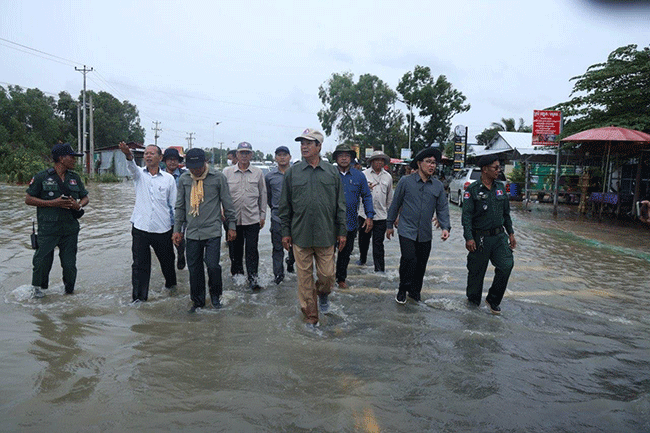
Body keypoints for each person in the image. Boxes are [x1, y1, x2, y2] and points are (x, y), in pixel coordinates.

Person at [278, 128, 346, 325]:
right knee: (304, 279)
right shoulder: (293, 173)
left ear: (319, 146)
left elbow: (340, 205)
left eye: (309, 143)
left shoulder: (332, 172)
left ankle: (323, 293)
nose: (304, 146)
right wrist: (285, 232)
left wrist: (342, 232)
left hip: (326, 234)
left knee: (327, 276)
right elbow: (285, 206)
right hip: (300, 234)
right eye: (302, 143)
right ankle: (311, 315)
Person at [173, 148, 237, 312]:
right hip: (192, 231)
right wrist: (177, 230)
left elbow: (227, 204)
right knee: (194, 268)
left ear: (205, 163)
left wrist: (231, 226)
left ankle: (216, 298)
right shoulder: (185, 179)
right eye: (191, 167)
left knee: (213, 265)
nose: (195, 170)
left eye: (198, 166)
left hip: (213, 231)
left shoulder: (218, 178)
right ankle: (198, 302)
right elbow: (180, 206)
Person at [386, 147, 450, 304]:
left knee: (421, 264)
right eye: (428, 162)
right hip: (406, 229)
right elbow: (396, 203)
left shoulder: (438, 186)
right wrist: (389, 224)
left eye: (434, 163)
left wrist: (445, 227)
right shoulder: (405, 182)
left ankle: (415, 293)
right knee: (409, 259)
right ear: (419, 163)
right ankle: (403, 288)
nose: (432, 166)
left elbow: (442, 208)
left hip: (425, 233)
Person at [25, 143, 89, 298]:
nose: (74, 160)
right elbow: (28, 199)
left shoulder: (74, 178)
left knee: (69, 265)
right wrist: (52, 203)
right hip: (48, 229)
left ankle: (69, 294)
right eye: (71, 157)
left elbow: (85, 197)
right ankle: (38, 293)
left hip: (70, 229)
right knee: (41, 262)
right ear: (61, 158)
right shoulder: (41, 177)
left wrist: (78, 204)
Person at [119, 141, 177, 302]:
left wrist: (178, 230)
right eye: (146, 153)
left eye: (152, 153)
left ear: (160, 157)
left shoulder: (168, 179)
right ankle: (138, 299)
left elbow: (175, 205)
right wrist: (128, 155)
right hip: (140, 227)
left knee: (167, 263)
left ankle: (172, 289)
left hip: (163, 229)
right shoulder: (138, 175)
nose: (148, 155)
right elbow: (131, 166)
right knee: (139, 266)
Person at [462, 154, 516, 315]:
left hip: (499, 236)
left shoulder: (500, 187)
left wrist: (511, 233)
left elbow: (506, 213)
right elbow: (466, 216)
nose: (498, 171)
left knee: (506, 265)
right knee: (476, 273)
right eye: (496, 168)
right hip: (480, 238)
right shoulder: (472, 190)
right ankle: (473, 305)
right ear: (485, 169)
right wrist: (469, 237)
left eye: (499, 168)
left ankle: (493, 299)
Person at [223, 141, 267, 291]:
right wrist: (222, 211)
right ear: (236, 155)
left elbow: (263, 195)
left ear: (251, 155)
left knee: (252, 250)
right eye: (241, 153)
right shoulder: (227, 172)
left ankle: (253, 278)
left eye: (247, 153)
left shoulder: (258, 173)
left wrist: (263, 215)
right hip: (233, 220)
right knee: (235, 250)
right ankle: (237, 277)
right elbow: (221, 194)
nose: (244, 156)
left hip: (252, 218)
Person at [333, 143, 374, 289]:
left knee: (345, 253)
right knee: (326, 254)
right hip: (330, 223)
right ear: (336, 158)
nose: (344, 159)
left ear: (351, 158)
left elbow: (367, 196)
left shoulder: (359, 176)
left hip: (350, 222)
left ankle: (341, 279)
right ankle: (326, 279)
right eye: (341, 155)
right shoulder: (330, 174)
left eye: (347, 156)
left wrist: (369, 216)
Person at [358, 150, 393, 273]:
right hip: (364, 215)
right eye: (376, 160)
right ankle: (362, 259)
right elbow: (356, 195)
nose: (379, 162)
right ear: (371, 162)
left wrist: (392, 217)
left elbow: (389, 199)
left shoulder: (388, 177)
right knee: (363, 240)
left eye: (381, 160)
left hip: (381, 216)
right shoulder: (363, 175)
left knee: (378, 244)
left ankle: (379, 269)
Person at [265, 145, 295, 285]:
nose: (282, 157)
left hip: (296, 216)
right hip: (277, 216)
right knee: (277, 247)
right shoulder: (270, 176)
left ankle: (291, 262)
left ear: (289, 157)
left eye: (285, 154)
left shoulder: (296, 173)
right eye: (279, 155)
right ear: (275, 158)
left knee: (296, 247)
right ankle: (278, 276)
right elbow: (268, 197)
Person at [163, 147, 187, 270]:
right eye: (169, 160)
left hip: (180, 214)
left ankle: (181, 254)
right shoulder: (159, 174)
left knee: (180, 241)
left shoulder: (185, 176)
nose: (172, 162)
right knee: (166, 245)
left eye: (175, 160)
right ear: (165, 161)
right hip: (163, 216)